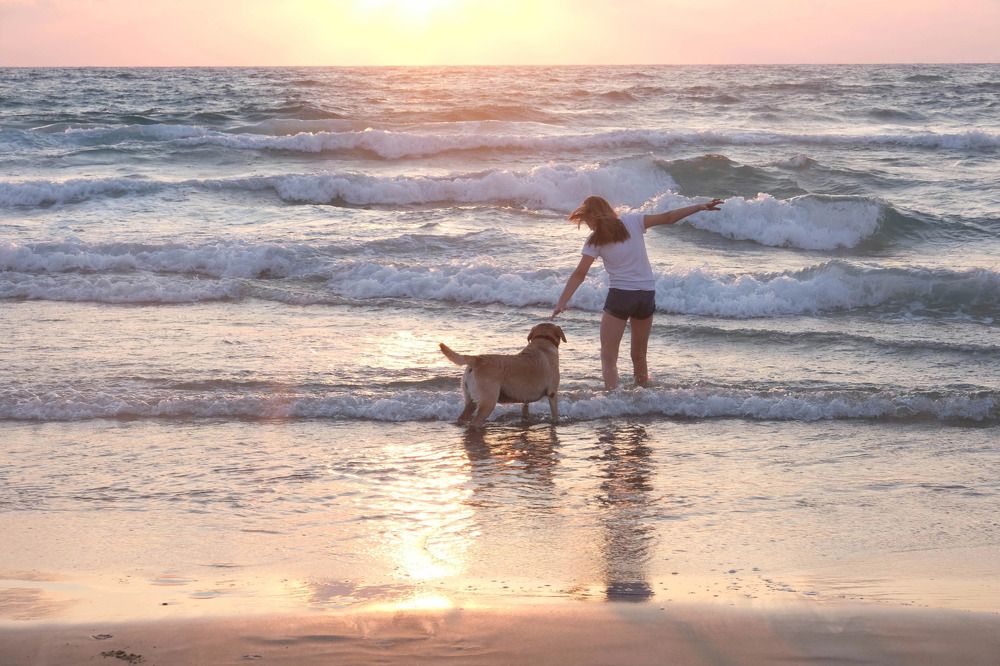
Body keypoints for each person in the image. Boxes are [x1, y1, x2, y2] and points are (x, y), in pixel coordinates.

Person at [551, 195, 723, 390]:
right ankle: (643, 396)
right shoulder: (633, 221)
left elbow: (580, 274)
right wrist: (699, 206)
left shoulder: (595, 240)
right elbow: (668, 217)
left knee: (609, 356)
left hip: (621, 297)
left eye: (586, 220)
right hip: (646, 295)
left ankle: (613, 399)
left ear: (593, 216)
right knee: (639, 355)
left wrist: (562, 302)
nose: (588, 225)